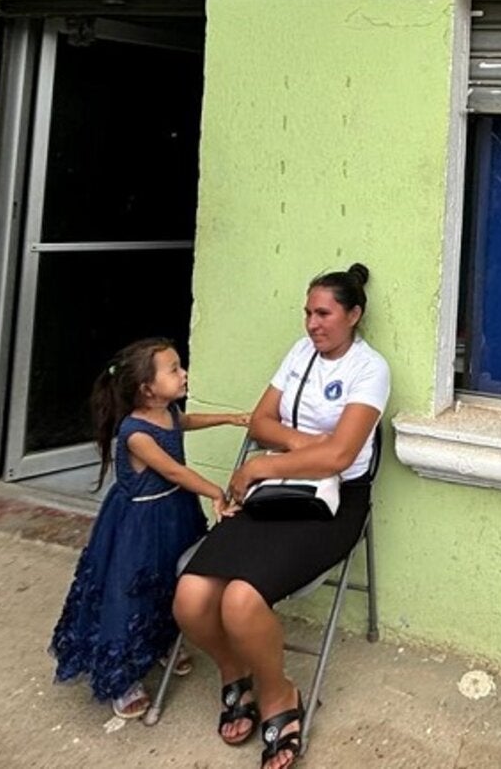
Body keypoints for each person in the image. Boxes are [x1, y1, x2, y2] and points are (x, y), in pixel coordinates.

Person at [175, 263, 389, 769]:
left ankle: (278, 695)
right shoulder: (300, 354)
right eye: (307, 313)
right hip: (275, 491)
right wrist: (298, 445)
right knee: (190, 595)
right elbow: (262, 419)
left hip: (333, 502)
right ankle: (235, 674)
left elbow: (340, 458)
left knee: (242, 600)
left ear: (353, 315)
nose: (313, 324)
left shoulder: (369, 368)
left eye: (324, 313)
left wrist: (264, 462)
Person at [48, 338, 247, 719]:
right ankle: (122, 678)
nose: (183, 372)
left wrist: (232, 417)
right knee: (131, 590)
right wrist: (215, 492)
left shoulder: (168, 411)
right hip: (139, 523)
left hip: (173, 511)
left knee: (169, 580)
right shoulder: (135, 432)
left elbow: (183, 423)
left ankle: (158, 643)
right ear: (146, 388)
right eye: (173, 369)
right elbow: (172, 470)